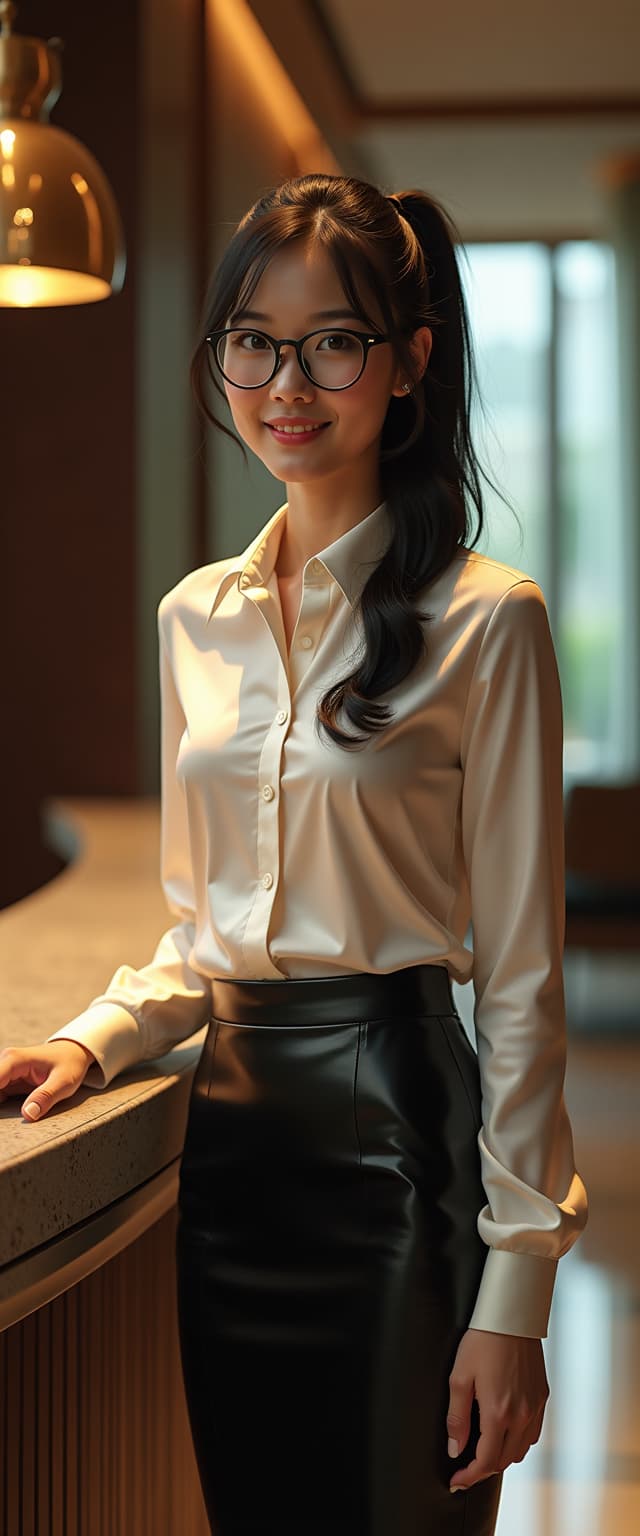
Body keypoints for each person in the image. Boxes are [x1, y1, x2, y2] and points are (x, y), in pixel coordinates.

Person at [0, 174, 589, 1535]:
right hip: (236, 1155)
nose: (288, 381)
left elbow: (520, 985)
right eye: (253, 340)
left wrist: (517, 1299)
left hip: (398, 1151)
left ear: (411, 362)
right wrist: (93, 1038)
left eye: (335, 340)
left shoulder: (487, 622)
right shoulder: (191, 617)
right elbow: (205, 925)